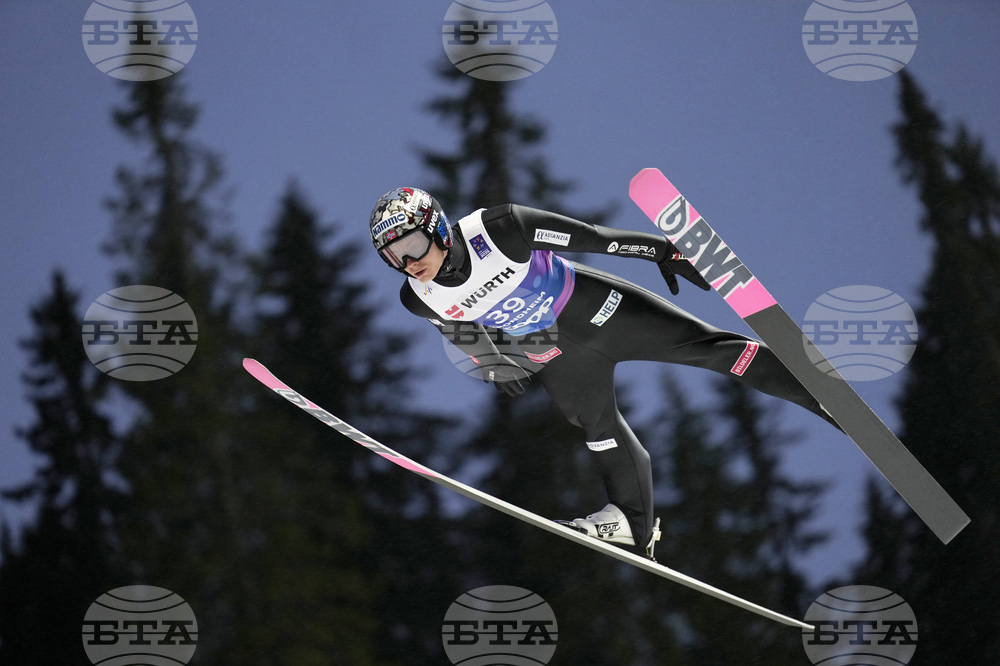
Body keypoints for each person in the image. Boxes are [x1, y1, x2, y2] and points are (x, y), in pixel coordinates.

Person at [369, 187, 837, 557]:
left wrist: (661, 251)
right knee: (596, 428)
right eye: (393, 258)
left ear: (437, 228)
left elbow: (595, 238)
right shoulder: (417, 296)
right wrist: (491, 363)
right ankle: (633, 525)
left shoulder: (500, 228)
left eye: (410, 245)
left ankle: (815, 392)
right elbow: (456, 328)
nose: (409, 263)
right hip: (549, 350)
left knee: (709, 350)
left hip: (599, 311)